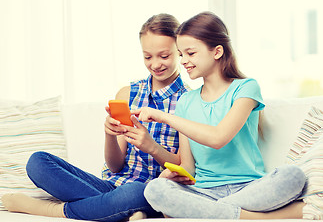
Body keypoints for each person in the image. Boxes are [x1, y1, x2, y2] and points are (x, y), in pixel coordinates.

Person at [1, 13, 190, 221]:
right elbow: (115, 166)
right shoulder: (128, 94)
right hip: (111, 186)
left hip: (152, 192)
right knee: (37, 162)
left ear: (180, 52)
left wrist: (151, 147)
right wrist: (109, 134)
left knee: (135, 192)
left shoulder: (189, 102)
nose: (155, 64)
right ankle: (120, 210)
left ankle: (52, 210)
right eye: (147, 56)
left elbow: (184, 168)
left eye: (164, 56)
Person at [130, 11, 307, 219]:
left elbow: (218, 138)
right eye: (181, 54)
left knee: (293, 175)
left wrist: (162, 116)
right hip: (203, 191)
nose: (184, 61)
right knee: (155, 189)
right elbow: (188, 166)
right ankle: (260, 218)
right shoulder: (186, 101)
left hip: (249, 188)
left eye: (191, 53)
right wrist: (172, 175)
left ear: (217, 52)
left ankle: (211, 213)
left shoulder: (246, 89)